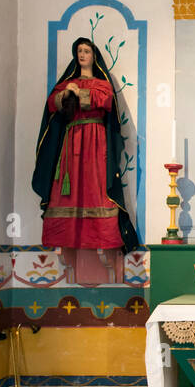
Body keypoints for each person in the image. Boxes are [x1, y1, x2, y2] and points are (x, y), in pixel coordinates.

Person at [31, 37, 140, 284]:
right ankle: (69, 236)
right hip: (71, 144)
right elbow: (52, 104)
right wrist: (65, 95)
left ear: (94, 55)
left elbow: (105, 100)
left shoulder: (101, 83)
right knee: (68, 191)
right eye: (79, 50)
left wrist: (79, 93)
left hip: (95, 142)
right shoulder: (66, 84)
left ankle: (102, 237)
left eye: (86, 51)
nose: (82, 55)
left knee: (96, 187)